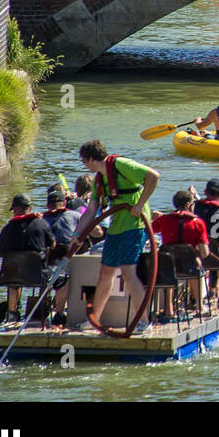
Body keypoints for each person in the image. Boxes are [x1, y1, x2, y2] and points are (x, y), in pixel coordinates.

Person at [70, 140, 160, 332]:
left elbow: (153, 177)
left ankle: (143, 322)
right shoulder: (98, 179)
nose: (84, 165)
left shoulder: (121, 165)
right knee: (105, 273)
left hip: (136, 225)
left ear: (90, 159)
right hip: (116, 227)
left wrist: (139, 204)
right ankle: (94, 321)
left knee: (128, 272)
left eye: (84, 161)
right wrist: (77, 233)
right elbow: (91, 209)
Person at [149, 189, 211, 321]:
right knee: (198, 264)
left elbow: (149, 229)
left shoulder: (164, 220)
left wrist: (155, 218)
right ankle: (199, 306)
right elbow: (205, 253)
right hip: (188, 266)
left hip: (168, 264)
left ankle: (168, 309)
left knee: (168, 269)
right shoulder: (198, 223)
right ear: (188, 205)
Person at [0, 193, 56, 321]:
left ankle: (12, 313)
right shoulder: (41, 224)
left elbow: (0, 253)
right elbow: (53, 244)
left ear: (15, 210)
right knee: (55, 276)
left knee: (13, 280)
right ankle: (42, 310)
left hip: (11, 275)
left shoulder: (6, 229)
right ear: (30, 207)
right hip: (38, 274)